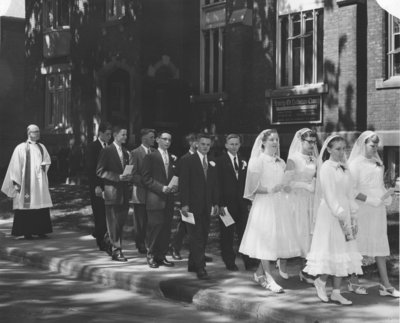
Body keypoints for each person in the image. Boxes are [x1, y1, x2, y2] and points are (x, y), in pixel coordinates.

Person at [239, 129, 300, 293]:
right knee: (266, 241)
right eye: (271, 139)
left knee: (274, 242)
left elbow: (284, 184)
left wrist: (288, 187)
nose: (275, 142)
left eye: (277, 140)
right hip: (265, 204)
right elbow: (252, 188)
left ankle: (259, 274)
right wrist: (271, 189)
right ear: (263, 142)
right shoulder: (257, 161)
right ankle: (269, 277)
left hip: (279, 205)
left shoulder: (281, 162)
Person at [304, 135, 363, 305]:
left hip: (344, 212)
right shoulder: (326, 168)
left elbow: (349, 193)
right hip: (331, 213)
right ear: (329, 149)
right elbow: (329, 196)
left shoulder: (345, 168)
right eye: (337, 149)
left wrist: (353, 215)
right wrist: (341, 214)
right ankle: (321, 281)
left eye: (343, 148)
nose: (341, 152)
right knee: (332, 249)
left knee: (343, 252)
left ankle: (336, 292)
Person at [347, 131, 399, 297]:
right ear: (364, 144)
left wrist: (387, 196)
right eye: (372, 145)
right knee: (358, 243)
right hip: (363, 208)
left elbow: (379, 185)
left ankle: (386, 284)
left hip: (378, 209)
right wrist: (370, 200)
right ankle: (353, 281)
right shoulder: (355, 164)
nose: (375, 148)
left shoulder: (378, 162)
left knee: (380, 244)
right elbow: (351, 190)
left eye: (377, 145)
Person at [277, 128, 318, 283]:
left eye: (314, 142)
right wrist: (303, 185)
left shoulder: (314, 159)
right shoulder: (293, 159)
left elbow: (315, 177)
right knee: (294, 231)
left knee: (307, 233)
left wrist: (313, 184)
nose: (312, 145)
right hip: (295, 199)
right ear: (301, 141)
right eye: (309, 142)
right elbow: (285, 184)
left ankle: (305, 271)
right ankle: (282, 261)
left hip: (309, 200)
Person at [1, 124, 53, 239]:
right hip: (26, 184)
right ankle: (27, 232)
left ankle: (41, 230)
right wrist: (16, 183)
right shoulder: (20, 148)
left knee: (40, 204)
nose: (38, 133)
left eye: (39, 131)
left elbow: (47, 160)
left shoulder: (41, 147)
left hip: (39, 183)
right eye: (36, 132)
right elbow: (15, 166)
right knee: (26, 206)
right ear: (29, 133)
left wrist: (44, 166)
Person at [180, 133, 219, 280]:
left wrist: (215, 202)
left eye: (208, 145)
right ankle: (201, 268)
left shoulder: (212, 162)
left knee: (202, 235)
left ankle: (192, 263)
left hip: (206, 206)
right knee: (196, 237)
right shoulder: (188, 161)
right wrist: (184, 204)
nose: (205, 147)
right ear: (197, 144)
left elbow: (214, 185)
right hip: (191, 206)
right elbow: (184, 184)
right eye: (203, 144)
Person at [216, 134, 253, 271]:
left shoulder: (244, 160)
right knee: (227, 235)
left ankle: (248, 261)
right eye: (231, 144)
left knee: (244, 233)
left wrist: (248, 200)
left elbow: (247, 183)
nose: (234, 146)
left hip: (242, 204)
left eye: (236, 144)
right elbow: (217, 184)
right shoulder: (219, 161)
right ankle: (229, 261)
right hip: (226, 205)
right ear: (226, 145)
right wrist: (219, 204)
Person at [141, 131, 178, 268]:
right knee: (155, 228)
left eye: (169, 140)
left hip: (169, 199)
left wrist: (175, 187)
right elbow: (145, 179)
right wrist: (161, 188)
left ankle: (161, 256)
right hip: (155, 198)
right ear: (157, 140)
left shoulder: (172, 158)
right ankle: (151, 255)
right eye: (164, 139)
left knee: (166, 229)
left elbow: (174, 176)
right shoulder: (150, 157)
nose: (167, 142)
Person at [96, 125, 132, 262]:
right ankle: (117, 250)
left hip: (124, 193)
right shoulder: (107, 151)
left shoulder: (126, 152)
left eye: (126, 135)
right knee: (113, 222)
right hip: (112, 192)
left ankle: (108, 239)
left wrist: (128, 176)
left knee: (119, 223)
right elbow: (100, 171)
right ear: (115, 136)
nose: (125, 137)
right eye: (123, 134)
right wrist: (117, 177)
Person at [169, 133, 197, 260]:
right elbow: (179, 178)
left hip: (200, 197)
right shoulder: (185, 159)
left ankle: (197, 252)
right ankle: (175, 248)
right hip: (188, 198)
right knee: (185, 225)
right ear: (191, 143)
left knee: (197, 226)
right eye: (197, 142)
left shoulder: (204, 158)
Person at [85, 121, 112, 252]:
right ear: (100, 133)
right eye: (107, 134)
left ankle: (102, 235)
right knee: (100, 213)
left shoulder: (110, 147)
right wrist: (96, 186)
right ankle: (101, 241)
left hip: (109, 185)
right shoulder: (93, 147)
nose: (109, 137)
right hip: (98, 186)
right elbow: (90, 168)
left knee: (108, 214)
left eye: (110, 134)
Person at [130, 128, 156, 255]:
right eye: (151, 137)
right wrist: (147, 182)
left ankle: (150, 243)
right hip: (140, 192)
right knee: (140, 221)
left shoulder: (155, 152)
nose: (154, 139)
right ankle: (140, 243)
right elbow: (133, 174)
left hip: (153, 193)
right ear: (144, 138)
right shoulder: (135, 153)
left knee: (151, 220)